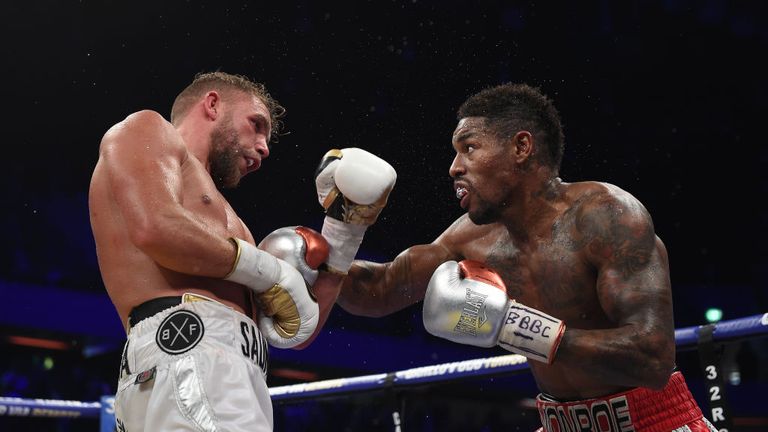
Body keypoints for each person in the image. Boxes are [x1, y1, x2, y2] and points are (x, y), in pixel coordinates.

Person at [335, 83, 717, 431]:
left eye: (469, 148)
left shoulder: (605, 216)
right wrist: (330, 244)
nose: (454, 167)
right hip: (557, 423)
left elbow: (652, 359)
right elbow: (381, 289)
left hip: (655, 423)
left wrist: (514, 326)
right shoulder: (471, 237)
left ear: (521, 147)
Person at [88, 71, 395, 431]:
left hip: (222, 370)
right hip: (190, 358)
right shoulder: (146, 129)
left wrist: (344, 233)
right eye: (256, 125)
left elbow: (295, 333)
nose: (264, 147)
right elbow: (156, 229)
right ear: (213, 105)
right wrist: (270, 270)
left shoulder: (229, 224)